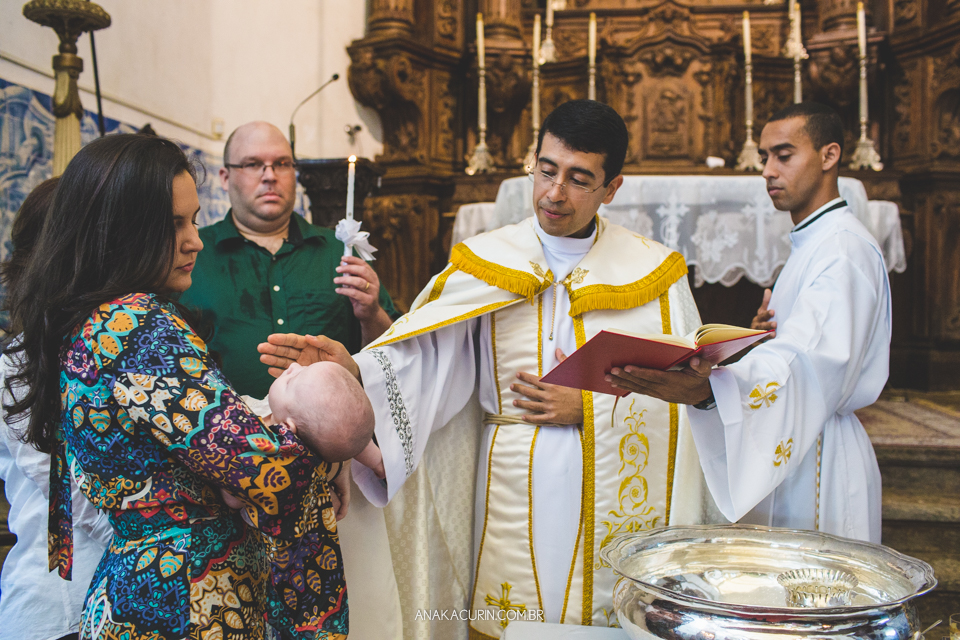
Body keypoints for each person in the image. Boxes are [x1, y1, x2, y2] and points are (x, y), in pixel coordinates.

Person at [261, 100, 722, 637]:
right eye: (546, 170)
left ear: (611, 188)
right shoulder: (488, 260)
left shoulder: (654, 274)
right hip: (508, 486)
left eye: (578, 179)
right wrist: (357, 371)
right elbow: (426, 359)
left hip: (613, 498)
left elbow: (692, 394)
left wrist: (591, 408)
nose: (554, 192)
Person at [3, 134, 348, 639]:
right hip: (187, 602)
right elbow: (270, 469)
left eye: (193, 220)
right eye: (175, 224)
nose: (196, 240)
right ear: (122, 231)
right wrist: (327, 446)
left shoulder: (89, 324)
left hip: (136, 591)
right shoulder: (141, 329)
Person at [608, 101, 888, 543]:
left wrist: (711, 390)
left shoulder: (842, 249)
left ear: (829, 156)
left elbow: (814, 362)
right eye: (764, 157)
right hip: (794, 440)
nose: (767, 171)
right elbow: (805, 344)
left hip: (820, 461)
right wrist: (758, 342)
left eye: (784, 155)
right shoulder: (815, 242)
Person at [179, 121, 400, 398]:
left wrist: (371, 314)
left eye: (282, 163)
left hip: (331, 432)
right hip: (227, 433)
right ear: (225, 177)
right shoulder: (191, 255)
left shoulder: (339, 250)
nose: (269, 175)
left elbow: (392, 357)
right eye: (252, 164)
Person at [0, 178, 114, 640]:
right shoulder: (18, 363)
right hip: (58, 609)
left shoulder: (121, 342)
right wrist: (170, 541)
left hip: (125, 597)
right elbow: (72, 493)